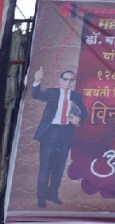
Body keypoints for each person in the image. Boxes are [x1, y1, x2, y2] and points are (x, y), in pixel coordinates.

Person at [30, 67, 84, 209]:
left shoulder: (76, 96)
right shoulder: (52, 92)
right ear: (60, 81)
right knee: (45, 166)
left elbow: (84, 112)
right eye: (65, 79)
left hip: (66, 133)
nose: (68, 83)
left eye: (71, 80)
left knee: (59, 167)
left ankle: (52, 195)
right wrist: (37, 80)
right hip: (50, 133)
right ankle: (41, 197)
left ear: (73, 82)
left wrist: (79, 118)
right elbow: (36, 95)